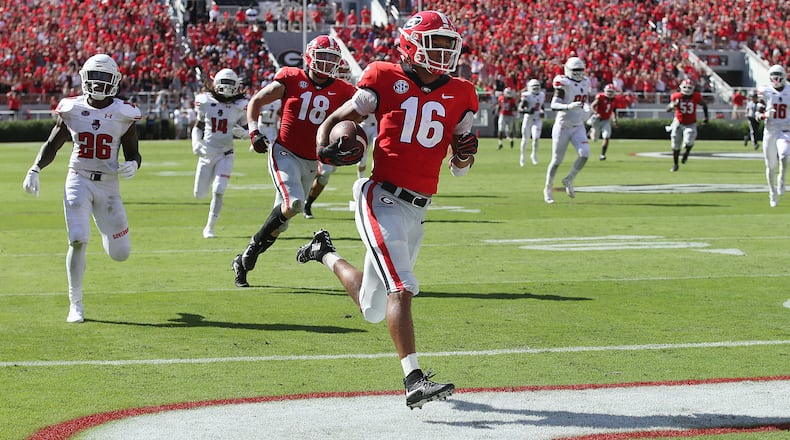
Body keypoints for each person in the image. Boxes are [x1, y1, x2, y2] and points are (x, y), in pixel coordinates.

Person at [295, 10, 479, 409]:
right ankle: (414, 379)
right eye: (437, 43)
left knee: (373, 308)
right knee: (403, 285)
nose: (445, 52)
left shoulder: (463, 92)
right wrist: (326, 146)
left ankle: (323, 251)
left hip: (418, 208)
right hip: (381, 196)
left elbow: (460, 170)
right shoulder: (382, 77)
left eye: (449, 44)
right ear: (412, 45)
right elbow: (339, 118)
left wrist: (464, 157)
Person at [21, 54, 141, 323]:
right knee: (77, 240)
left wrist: (133, 164)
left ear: (115, 81)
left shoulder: (124, 113)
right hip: (79, 177)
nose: (98, 83)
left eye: (104, 78)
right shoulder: (71, 109)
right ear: (84, 78)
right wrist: (35, 168)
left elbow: (134, 152)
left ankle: (103, 228)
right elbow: (53, 144)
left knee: (120, 254)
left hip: (109, 186)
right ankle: (75, 304)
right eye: (94, 77)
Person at [231, 35, 355, 287]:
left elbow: (361, 114)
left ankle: (242, 259)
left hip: (311, 160)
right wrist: (254, 131)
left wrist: (347, 142)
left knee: (281, 224)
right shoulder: (291, 77)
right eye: (323, 58)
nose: (328, 63)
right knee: (295, 202)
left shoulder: (343, 90)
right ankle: (253, 250)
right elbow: (257, 100)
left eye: (332, 58)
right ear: (310, 57)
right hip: (284, 151)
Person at [191, 68, 249, 238]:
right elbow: (198, 126)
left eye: (230, 83)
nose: (227, 86)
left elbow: (249, 129)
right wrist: (196, 142)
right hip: (207, 153)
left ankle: (209, 227)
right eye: (224, 82)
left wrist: (244, 134)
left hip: (226, 153)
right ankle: (209, 223)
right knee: (199, 193)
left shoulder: (240, 106)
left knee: (219, 189)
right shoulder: (205, 101)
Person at [543, 56, 591, 204]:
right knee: (556, 161)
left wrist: (588, 110)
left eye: (580, 70)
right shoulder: (564, 83)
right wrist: (568, 106)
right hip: (563, 126)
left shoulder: (585, 81)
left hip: (578, 126)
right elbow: (554, 104)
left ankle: (569, 179)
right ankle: (548, 188)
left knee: (585, 154)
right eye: (575, 70)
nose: (578, 73)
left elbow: (585, 100)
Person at [756, 65, 790, 208]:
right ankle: (772, 192)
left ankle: (781, 178)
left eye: (778, 74)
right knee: (770, 166)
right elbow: (756, 115)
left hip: (785, 130)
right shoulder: (765, 91)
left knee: (784, 155)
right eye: (773, 74)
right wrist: (764, 115)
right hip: (770, 131)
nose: (776, 77)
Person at [666, 78, 708, 172]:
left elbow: (704, 105)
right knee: (675, 145)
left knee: (689, 142)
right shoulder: (676, 96)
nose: (687, 89)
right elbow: (667, 109)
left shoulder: (696, 96)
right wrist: (673, 106)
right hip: (678, 122)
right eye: (685, 87)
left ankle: (687, 152)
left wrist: (706, 118)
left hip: (691, 123)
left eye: (689, 87)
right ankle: (675, 164)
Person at [588, 83, 619, 161]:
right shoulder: (601, 97)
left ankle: (602, 154)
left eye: (611, 92)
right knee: (595, 139)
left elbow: (614, 111)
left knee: (606, 136)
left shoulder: (615, 100)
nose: (609, 93)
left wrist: (614, 120)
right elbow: (592, 106)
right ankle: (591, 131)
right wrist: (596, 113)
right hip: (597, 119)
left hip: (606, 120)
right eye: (608, 91)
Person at [518, 79, 545, 166]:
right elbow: (520, 109)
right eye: (534, 87)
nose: (536, 89)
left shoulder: (541, 95)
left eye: (537, 87)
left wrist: (542, 112)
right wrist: (528, 111)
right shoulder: (527, 96)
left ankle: (534, 155)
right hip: (528, 119)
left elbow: (541, 106)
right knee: (525, 139)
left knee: (536, 138)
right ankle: (522, 156)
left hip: (537, 119)